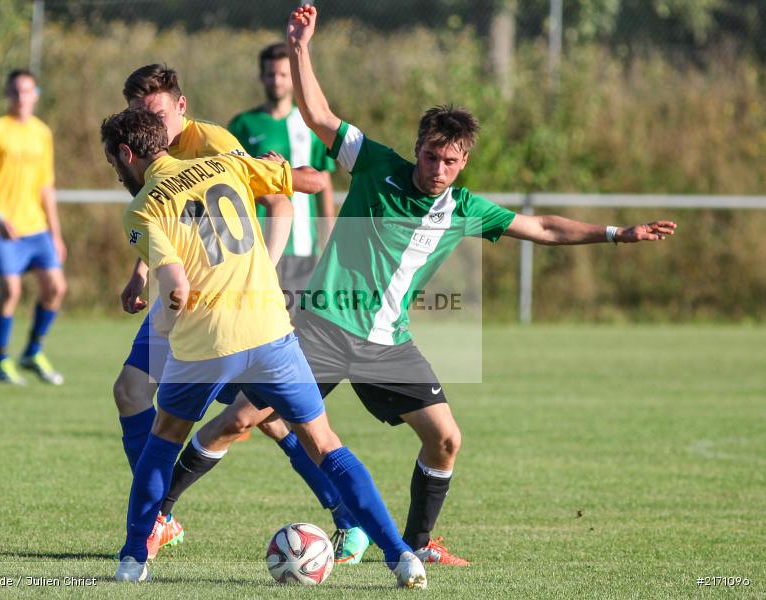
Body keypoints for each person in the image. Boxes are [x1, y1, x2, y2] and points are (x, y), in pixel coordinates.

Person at [149, 2, 678, 568]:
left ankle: (420, 540)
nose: (438, 169)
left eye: (450, 161)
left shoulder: (464, 208)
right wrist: (301, 49)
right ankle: (161, 515)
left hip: (388, 345)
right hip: (322, 329)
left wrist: (618, 233)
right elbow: (320, 114)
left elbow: (543, 227)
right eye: (431, 156)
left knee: (446, 438)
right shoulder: (376, 164)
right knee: (239, 421)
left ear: (463, 160)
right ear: (418, 145)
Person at [100, 107, 428, 589]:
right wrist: (278, 167)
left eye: (114, 163)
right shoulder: (225, 162)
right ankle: (401, 557)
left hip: (207, 341)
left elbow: (174, 285)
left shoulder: (143, 207)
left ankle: (133, 560)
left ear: (128, 154)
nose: (117, 172)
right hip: (271, 333)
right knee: (326, 442)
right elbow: (308, 184)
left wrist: (170, 314)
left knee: (163, 440)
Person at [111, 64, 358, 562]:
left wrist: (259, 274)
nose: (148, 125)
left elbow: (280, 199)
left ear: (181, 106)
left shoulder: (215, 144)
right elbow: (162, 217)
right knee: (131, 390)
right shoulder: (150, 153)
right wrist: (141, 272)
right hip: (183, 298)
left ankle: (347, 514)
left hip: (233, 305)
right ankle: (159, 520)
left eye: (155, 113)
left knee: (268, 420)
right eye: (139, 115)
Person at [0, 69, 67, 385]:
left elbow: (46, 187)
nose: (21, 97)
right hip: (0, 227)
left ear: (36, 94)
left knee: (56, 288)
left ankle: (32, 352)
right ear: (7, 94)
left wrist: (56, 234)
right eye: (15, 91)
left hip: (36, 226)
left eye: (27, 91)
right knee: (11, 290)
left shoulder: (42, 132)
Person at [228, 42, 336, 301]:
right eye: (271, 74)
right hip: (259, 244)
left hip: (302, 246)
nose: (276, 80)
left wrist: (328, 240)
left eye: (283, 74)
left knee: (300, 327)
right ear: (261, 76)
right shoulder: (243, 125)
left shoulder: (311, 125)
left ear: (292, 78)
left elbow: (323, 183)